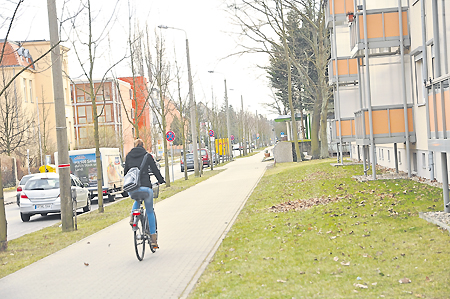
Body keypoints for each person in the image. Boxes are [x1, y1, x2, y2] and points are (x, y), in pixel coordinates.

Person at [124, 139, 165, 249]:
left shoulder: (128, 156)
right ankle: (153, 240)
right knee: (150, 211)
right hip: (146, 188)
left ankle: (133, 217)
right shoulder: (147, 156)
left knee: (137, 200)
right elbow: (155, 170)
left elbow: (125, 173)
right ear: (143, 146)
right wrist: (161, 180)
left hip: (133, 189)